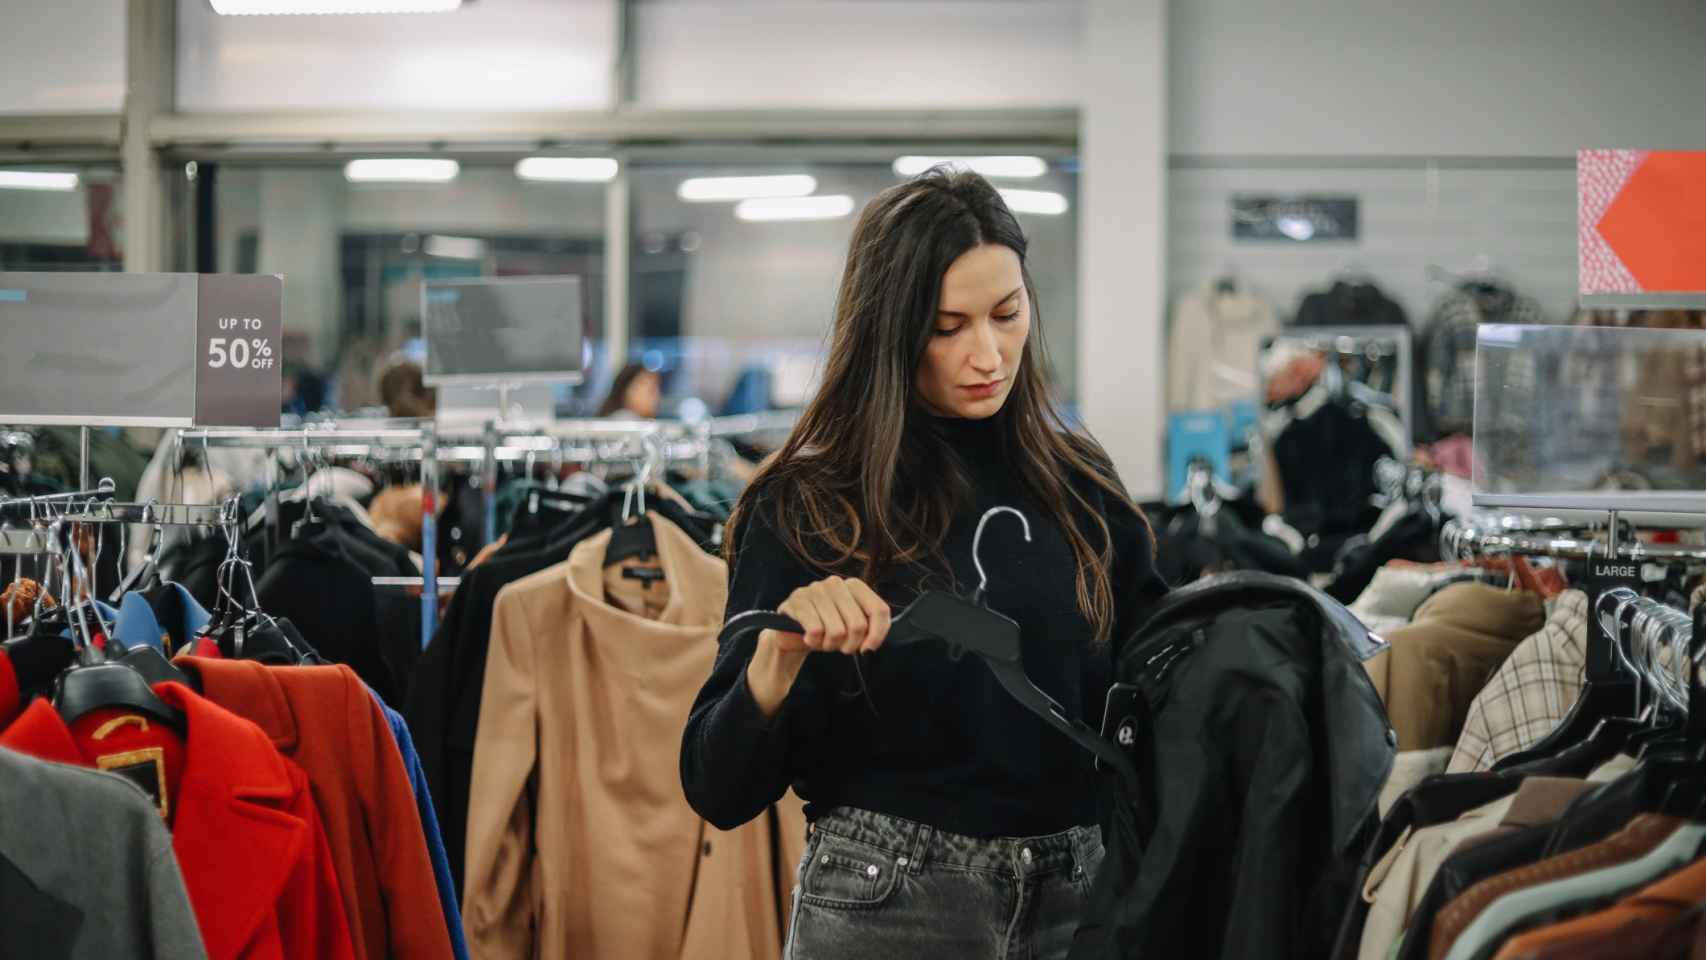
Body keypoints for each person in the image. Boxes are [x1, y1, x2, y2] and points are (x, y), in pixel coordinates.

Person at [680, 169, 1168, 959]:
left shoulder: (1082, 488)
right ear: (891, 331)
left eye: (1007, 314)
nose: (989, 354)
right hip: (888, 906)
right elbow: (717, 786)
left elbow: (1155, 696)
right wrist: (779, 655)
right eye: (948, 328)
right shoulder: (809, 505)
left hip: (1079, 902)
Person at [597, 361, 662, 418]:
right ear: (625, 390)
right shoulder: (625, 421)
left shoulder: (642, 422)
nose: (656, 396)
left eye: (657, 387)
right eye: (651, 390)